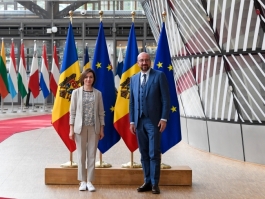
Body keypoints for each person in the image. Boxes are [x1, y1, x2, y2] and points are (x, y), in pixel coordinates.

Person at [129, 52, 170, 194]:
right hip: (139, 122)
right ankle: (146, 181)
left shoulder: (159, 76)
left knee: (154, 153)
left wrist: (164, 118)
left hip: (154, 122)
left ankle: (154, 183)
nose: (144, 63)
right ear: (137, 62)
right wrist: (132, 121)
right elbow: (132, 102)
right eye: (141, 60)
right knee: (144, 153)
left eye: (146, 60)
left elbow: (166, 99)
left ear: (150, 61)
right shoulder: (133, 79)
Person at [69, 68, 105, 192]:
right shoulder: (76, 93)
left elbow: (101, 113)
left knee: (91, 155)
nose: (88, 79)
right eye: (86, 77)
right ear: (83, 78)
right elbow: (72, 112)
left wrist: (101, 129)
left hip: (94, 128)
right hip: (80, 128)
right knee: (81, 155)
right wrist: (71, 129)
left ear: (93, 79)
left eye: (91, 77)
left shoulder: (98, 94)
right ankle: (82, 181)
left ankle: (89, 181)